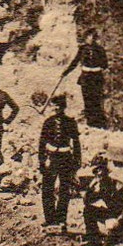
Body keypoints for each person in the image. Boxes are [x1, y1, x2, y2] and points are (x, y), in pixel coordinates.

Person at [37, 94, 83, 232]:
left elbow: (76, 142)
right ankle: (49, 219)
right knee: (47, 189)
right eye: (54, 106)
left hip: (65, 158)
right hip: (51, 158)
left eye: (59, 106)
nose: (57, 108)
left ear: (64, 107)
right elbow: (42, 143)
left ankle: (61, 219)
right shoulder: (48, 122)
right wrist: (41, 160)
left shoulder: (70, 122)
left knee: (64, 190)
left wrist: (77, 161)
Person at [80, 155, 123, 246]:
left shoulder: (119, 187)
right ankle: (93, 238)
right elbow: (87, 202)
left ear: (106, 171)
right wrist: (90, 187)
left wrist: (117, 221)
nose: (99, 173)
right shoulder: (101, 187)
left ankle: (116, 243)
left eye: (101, 170)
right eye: (96, 171)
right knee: (88, 210)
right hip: (111, 214)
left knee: (112, 243)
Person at [61, 30, 110, 128]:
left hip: (96, 77)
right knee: (87, 99)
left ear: (95, 38)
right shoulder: (82, 49)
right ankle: (90, 122)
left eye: (92, 37)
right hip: (85, 77)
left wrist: (98, 68)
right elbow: (75, 62)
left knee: (96, 99)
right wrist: (65, 72)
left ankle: (98, 123)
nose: (90, 39)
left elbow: (105, 64)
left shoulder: (100, 50)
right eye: (88, 37)